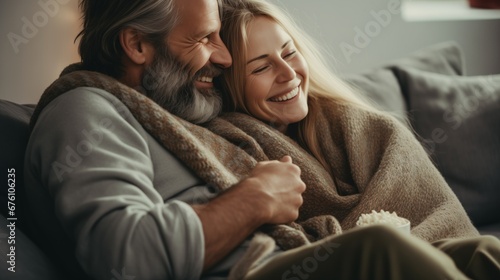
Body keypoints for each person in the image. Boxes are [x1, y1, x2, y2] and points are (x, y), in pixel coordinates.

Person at [23, 0, 499, 280]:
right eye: (206, 39)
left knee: (483, 253)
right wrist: (251, 200)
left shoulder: (171, 110)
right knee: (380, 248)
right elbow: (122, 256)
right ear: (137, 45)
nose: (224, 56)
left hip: (286, 255)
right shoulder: (86, 111)